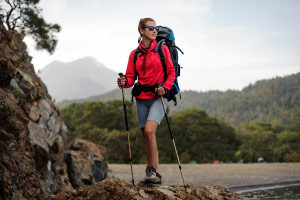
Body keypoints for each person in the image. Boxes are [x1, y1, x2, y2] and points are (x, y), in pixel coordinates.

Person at [117, 18, 175, 184]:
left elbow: (171, 72)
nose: (154, 30)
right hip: (142, 99)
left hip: (159, 98)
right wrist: (124, 82)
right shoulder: (134, 54)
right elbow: (130, 78)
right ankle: (154, 171)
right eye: (150, 28)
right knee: (147, 135)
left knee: (149, 131)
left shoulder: (162, 49)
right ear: (142, 31)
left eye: (155, 28)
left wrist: (165, 87)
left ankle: (152, 171)